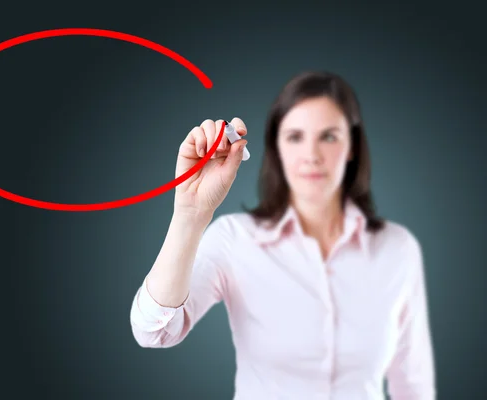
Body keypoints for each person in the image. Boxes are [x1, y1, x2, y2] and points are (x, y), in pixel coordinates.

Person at [129, 70, 436, 399]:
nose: (312, 154)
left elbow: (412, 383)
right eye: (295, 136)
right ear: (277, 147)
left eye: (329, 136)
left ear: (352, 147)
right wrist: (191, 214)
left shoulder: (397, 248)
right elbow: (153, 331)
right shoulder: (235, 239)